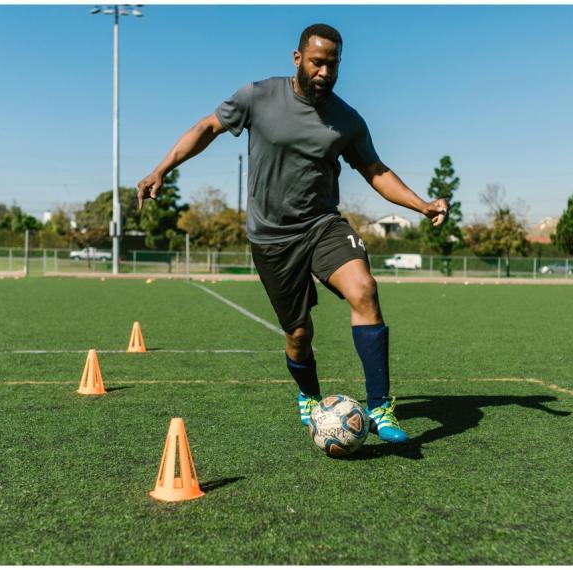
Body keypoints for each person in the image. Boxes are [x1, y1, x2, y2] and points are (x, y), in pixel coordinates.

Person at [138, 23, 449, 443]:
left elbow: (375, 172)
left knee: (364, 289)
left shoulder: (347, 120)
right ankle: (308, 394)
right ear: (298, 58)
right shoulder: (258, 96)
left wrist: (422, 204)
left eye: (332, 65)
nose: (324, 72)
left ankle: (381, 407)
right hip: (271, 238)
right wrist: (161, 169)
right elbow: (207, 128)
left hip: (322, 225)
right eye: (318, 62)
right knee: (298, 334)